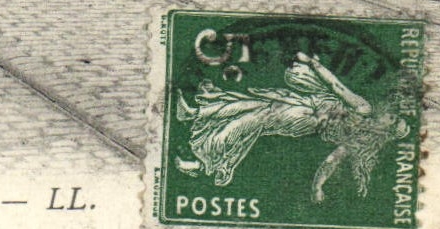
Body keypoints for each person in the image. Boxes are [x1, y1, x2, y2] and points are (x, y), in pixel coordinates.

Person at [173, 52, 409, 203]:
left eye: (393, 120)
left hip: (307, 118)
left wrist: (317, 187)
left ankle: (203, 158)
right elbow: (337, 89)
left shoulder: (363, 117)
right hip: (307, 104)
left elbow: (332, 159)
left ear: (386, 129)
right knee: (255, 106)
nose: (390, 115)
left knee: (257, 117)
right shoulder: (364, 115)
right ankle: (196, 115)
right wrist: (314, 65)